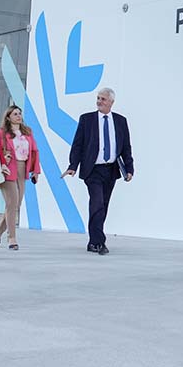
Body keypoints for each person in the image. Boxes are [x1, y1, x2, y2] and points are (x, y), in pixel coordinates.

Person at [63, 87, 134, 255]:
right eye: (98, 98)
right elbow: (78, 144)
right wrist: (73, 166)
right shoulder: (87, 119)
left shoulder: (120, 121)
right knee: (97, 203)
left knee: (103, 205)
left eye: (103, 99)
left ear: (111, 102)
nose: (99, 101)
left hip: (111, 170)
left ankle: (92, 242)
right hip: (93, 170)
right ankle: (99, 242)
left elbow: (126, 147)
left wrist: (129, 168)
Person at [0, 105, 40, 250]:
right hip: (8, 168)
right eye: (15, 114)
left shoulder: (27, 132)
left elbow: (34, 151)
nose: (18, 116)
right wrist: (3, 159)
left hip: (22, 168)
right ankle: (11, 238)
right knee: (12, 203)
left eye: (19, 113)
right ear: (8, 117)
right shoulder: (1, 133)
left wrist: (35, 171)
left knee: (15, 204)